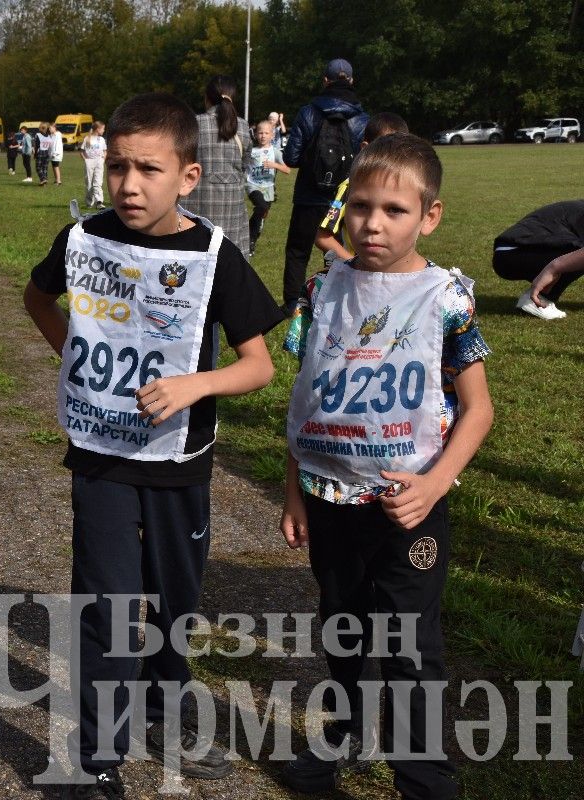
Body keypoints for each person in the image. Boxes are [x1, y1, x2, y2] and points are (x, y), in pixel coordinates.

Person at [23, 92, 282, 798]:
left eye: (148, 170)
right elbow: (36, 298)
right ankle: (99, 753)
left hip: (179, 462)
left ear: (187, 178)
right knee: (106, 606)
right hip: (102, 457)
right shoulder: (83, 241)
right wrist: (75, 361)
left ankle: (165, 710)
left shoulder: (214, 256)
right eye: (117, 168)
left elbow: (258, 364)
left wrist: (196, 386)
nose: (129, 185)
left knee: (174, 601)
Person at [279, 133, 493, 800]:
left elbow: (478, 408)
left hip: (409, 508)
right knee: (342, 627)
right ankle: (339, 738)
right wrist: (293, 493)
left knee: (408, 645)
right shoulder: (323, 291)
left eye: (394, 210)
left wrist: (433, 485)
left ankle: (423, 777)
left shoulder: (446, 299)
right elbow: (306, 396)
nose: (373, 223)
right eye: (362, 207)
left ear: (430, 215)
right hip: (328, 499)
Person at [281, 58, 369, 309]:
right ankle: (339, 300)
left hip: (308, 196)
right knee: (337, 248)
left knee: (298, 250)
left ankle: (292, 303)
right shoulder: (362, 118)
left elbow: (291, 158)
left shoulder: (308, 113)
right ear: (351, 81)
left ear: (325, 81)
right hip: (344, 197)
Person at [313, 112, 409, 264]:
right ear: (365, 148)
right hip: (355, 278)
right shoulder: (350, 187)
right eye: (384, 148)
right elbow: (323, 237)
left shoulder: (405, 189)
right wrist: (354, 264)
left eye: (399, 150)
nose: (391, 156)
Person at [181, 75, 255, 259]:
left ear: (207, 98)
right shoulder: (243, 127)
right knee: (229, 263)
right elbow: (246, 164)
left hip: (194, 210)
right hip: (232, 210)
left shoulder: (193, 124)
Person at [493, 200, 584, 320]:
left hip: (514, 250)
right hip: (514, 252)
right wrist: (554, 268)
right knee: (577, 255)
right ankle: (539, 300)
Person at [245, 120, 290, 257]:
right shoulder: (251, 151)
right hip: (253, 185)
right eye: (260, 133)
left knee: (261, 218)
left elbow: (287, 170)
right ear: (255, 134)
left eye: (266, 133)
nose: (263, 136)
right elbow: (243, 165)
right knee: (261, 207)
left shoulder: (275, 152)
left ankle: (251, 240)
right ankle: (250, 239)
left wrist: (274, 165)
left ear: (272, 135)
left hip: (268, 188)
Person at [79, 120, 106, 209]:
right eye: (103, 129)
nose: (103, 131)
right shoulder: (87, 138)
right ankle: (90, 202)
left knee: (98, 182)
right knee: (89, 183)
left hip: (99, 162)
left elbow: (105, 151)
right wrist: (86, 160)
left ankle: (99, 202)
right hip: (89, 162)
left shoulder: (102, 139)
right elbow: (82, 151)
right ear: (98, 129)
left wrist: (103, 159)